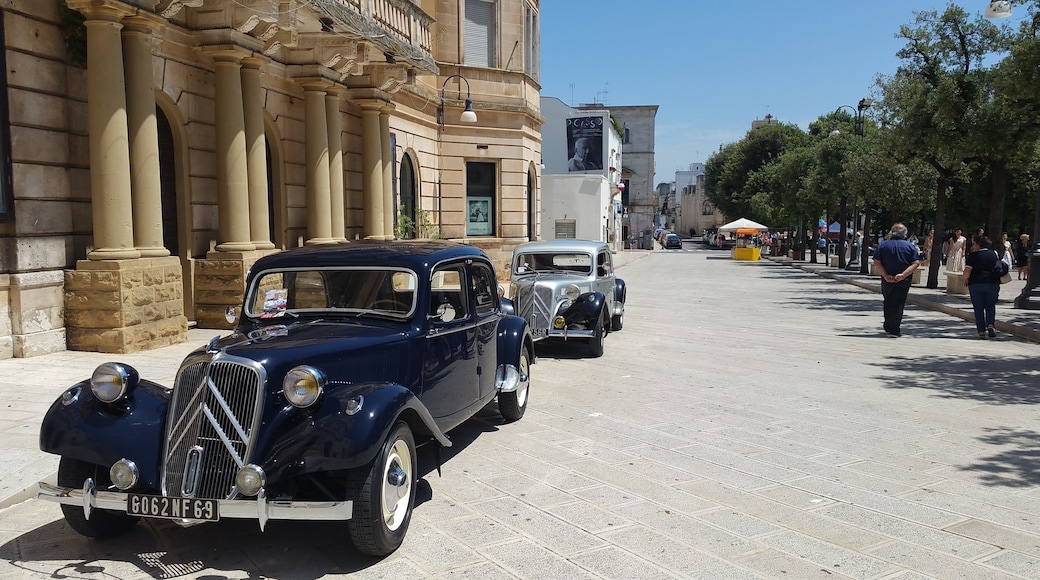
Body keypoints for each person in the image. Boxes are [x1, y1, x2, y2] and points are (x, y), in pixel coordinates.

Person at [872, 223, 922, 337]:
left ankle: (888, 324)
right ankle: (894, 328)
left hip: (887, 279)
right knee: (899, 303)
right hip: (903, 280)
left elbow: (876, 261)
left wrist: (885, 275)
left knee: (888, 300)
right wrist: (903, 275)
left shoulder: (883, 245)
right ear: (905, 233)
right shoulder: (910, 246)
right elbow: (916, 263)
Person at [963, 234, 1001, 339]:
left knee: (978, 308)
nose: (973, 245)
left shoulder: (973, 255)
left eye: (974, 243)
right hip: (992, 283)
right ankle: (990, 324)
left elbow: (967, 270)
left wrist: (965, 279)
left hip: (976, 283)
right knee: (990, 305)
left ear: (978, 244)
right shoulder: (994, 253)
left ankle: (981, 331)